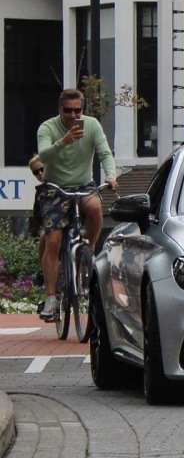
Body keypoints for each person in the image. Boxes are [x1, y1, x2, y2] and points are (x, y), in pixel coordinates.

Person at [34, 89, 118, 322]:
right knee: (53, 239)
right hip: (55, 186)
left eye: (77, 110)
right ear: (60, 109)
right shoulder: (48, 128)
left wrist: (111, 176)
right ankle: (51, 297)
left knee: (94, 208)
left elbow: (104, 153)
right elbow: (43, 155)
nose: (73, 115)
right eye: (68, 110)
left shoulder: (91, 125)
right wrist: (64, 141)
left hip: (83, 183)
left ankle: (89, 250)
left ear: (83, 110)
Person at [28, 155, 50, 267]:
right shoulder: (40, 191)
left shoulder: (64, 181)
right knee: (43, 239)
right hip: (53, 225)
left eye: (42, 169)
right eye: (36, 172)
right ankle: (45, 273)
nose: (40, 173)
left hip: (72, 222)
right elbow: (37, 215)